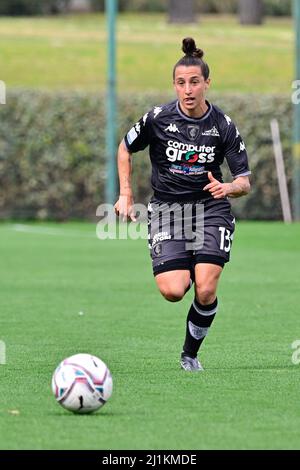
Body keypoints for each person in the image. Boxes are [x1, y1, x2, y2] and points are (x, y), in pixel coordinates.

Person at [114, 37, 251, 371]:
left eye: (194, 82)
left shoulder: (222, 125)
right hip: (168, 211)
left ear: (207, 83)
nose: (188, 89)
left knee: (205, 288)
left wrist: (228, 187)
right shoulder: (157, 119)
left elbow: (244, 182)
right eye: (180, 83)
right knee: (174, 290)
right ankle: (190, 261)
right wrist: (126, 194)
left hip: (210, 209)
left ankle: (190, 355)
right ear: (174, 86)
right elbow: (125, 147)